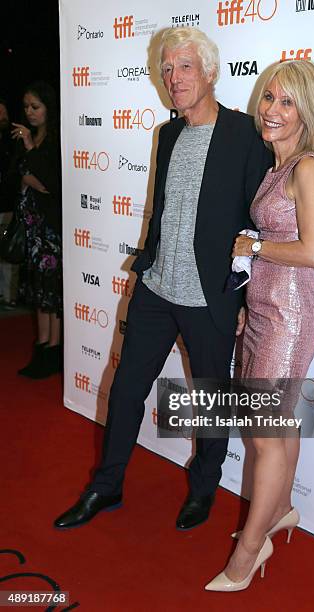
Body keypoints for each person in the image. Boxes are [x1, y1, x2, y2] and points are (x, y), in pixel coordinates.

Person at [54, 27, 272, 531]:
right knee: (127, 389)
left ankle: (203, 489)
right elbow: (166, 210)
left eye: (185, 66)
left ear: (211, 72)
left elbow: (255, 221)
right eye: (168, 69)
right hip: (157, 289)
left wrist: (242, 297)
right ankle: (106, 486)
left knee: (210, 399)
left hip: (210, 296)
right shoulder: (168, 133)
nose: (174, 78)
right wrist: (148, 263)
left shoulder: (243, 136)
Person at [205, 59, 314, 591]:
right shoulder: (272, 166)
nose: (272, 110)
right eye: (269, 98)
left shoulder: (307, 167)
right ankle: (279, 509)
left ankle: (249, 551)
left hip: (291, 315)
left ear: (307, 112)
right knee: (275, 430)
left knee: (263, 435)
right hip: (261, 312)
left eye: (286, 102)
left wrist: (255, 245)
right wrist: (245, 294)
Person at [11, 81, 62, 378]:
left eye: (36, 107)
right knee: (37, 291)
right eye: (27, 107)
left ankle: (53, 349)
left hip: (50, 230)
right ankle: (42, 345)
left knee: (50, 291)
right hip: (31, 229)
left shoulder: (54, 140)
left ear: (48, 108)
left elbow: (49, 184)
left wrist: (30, 150)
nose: (30, 112)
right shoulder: (27, 139)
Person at [0, 97, 19, 309]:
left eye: (4, 113)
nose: (3, 118)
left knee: (9, 251)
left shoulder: (13, 141)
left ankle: (10, 296)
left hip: (8, 206)